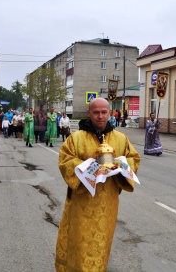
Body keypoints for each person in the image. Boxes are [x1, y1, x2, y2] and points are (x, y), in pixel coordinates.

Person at [55, 97, 140, 271]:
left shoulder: (121, 139)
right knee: (80, 242)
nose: (100, 116)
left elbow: (133, 159)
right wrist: (91, 165)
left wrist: (120, 165)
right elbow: (65, 161)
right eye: (96, 112)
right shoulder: (76, 138)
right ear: (89, 113)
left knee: (101, 243)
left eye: (104, 112)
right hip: (82, 202)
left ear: (109, 112)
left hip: (107, 203)